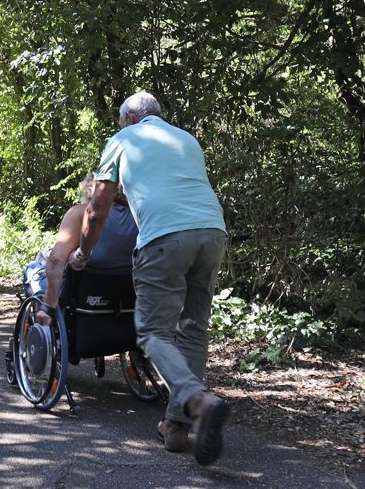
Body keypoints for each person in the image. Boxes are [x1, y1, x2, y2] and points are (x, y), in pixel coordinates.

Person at [69, 91, 230, 466]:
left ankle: (198, 399)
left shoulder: (122, 139)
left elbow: (98, 207)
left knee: (154, 332)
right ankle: (176, 427)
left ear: (128, 118)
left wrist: (84, 253)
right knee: (193, 328)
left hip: (164, 237)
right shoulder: (186, 139)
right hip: (212, 232)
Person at [33, 177, 138, 322]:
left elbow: (57, 259)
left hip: (86, 305)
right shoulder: (142, 217)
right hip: (133, 303)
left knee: (33, 272)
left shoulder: (78, 213)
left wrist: (48, 306)